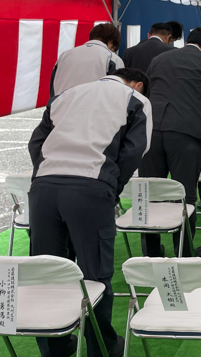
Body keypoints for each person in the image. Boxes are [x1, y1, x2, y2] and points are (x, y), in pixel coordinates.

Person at [28, 68, 152, 357]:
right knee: (95, 272)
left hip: (44, 187)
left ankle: (55, 346)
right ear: (137, 84)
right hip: (91, 187)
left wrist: (45, 173)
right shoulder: (136, 100)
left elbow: (37, 142)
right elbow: (135, 151)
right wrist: (111, 185)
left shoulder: (65, 95)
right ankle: (101, 346)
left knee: (47, 270)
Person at [139, 26, 201, 257]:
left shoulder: (159, 59)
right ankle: (184, 252)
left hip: (152, 131)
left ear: (187, 42)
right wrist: (197, 121)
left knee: (150, 193)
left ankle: (151, 252)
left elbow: (148, 93)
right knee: (185, 195)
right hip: (186, 134)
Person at [50, 23, 124, 95]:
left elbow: (53, 86)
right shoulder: (112, 58)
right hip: (94, 103)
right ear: (111, 42)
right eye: (113, 49)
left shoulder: (64, 55)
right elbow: (118, 92)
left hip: (62, 102)